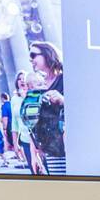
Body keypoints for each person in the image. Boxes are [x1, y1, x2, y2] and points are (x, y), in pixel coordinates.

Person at [27, 41, 66, 174]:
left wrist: (63, 100)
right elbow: (33, 123)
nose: (31, 60)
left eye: (33, 55)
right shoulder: (40, 85)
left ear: (47, 54)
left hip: (71, 145)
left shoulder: (66, 78)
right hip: (52, 148)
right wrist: (34, 153)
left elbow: (84, 107)